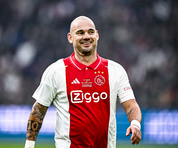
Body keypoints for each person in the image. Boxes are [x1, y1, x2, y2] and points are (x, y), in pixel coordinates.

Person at [24, 16, 142, 148]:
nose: (86, 36)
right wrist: (29, 145)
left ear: (97, 35)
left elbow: (131, 105)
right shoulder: (56, 71)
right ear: (70, 37)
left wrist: (135, 124)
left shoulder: (115, 70)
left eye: (90, 32)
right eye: (80, 33)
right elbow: (39, 109)